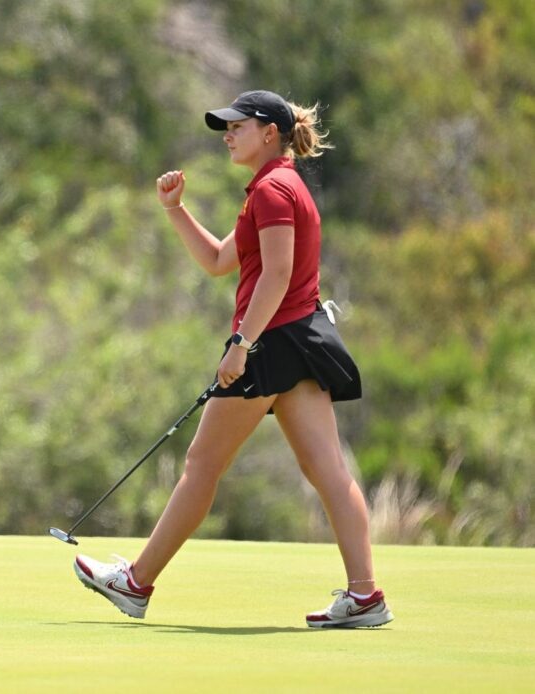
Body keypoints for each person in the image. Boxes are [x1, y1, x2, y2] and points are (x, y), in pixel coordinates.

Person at [72, 90, 392, 628]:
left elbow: (277, 275)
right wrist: (176, 211)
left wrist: (242, 345)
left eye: (236, 126)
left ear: (269, 131)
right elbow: (222, 261)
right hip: (301, 339)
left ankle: (136, 582)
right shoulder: (274, 187)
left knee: (202, 466)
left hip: (272, 344)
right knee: (328, 471)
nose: (227, 134)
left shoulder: (272, 190)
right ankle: (365, 596)